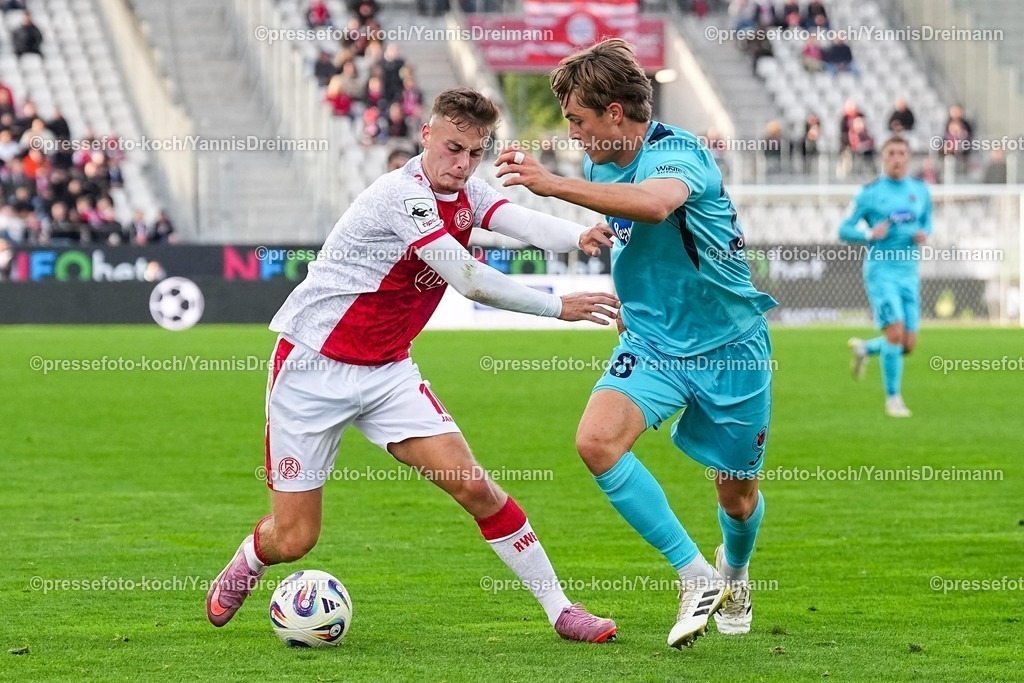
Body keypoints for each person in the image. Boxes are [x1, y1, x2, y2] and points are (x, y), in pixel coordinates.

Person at [205, 87, 621, 643]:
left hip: (387, 373)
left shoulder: (467, 191)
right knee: (295, 538)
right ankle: (251, 560)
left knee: (476, 488)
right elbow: (468, 278)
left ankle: (561, 610)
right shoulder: (401, 195)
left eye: (474, 153)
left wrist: (578, 234)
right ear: (426, 136)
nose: (462, 163)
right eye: (453, 148)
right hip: (312, 369)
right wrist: (556, 306)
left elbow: (517, 220)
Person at [495, 39, 776, 648]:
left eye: (578, 120)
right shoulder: (602, 160)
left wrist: (551, 184)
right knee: (596, 442)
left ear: (615, 113)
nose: (573, 134)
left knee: (737, 493)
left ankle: (736, 572)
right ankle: (695, 575)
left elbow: (652, 205)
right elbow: (632, 224)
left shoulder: (680, 153)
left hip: (731, 348)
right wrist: (609, 251)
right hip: (652, 343)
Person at [841, 136, 931, 418]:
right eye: (891, 152)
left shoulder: (920, 190)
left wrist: (923, 234)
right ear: (883, 157)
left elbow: (927, 220)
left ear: (908, 157)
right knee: (894, 332)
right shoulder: (870, 193)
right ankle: (893, 399)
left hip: (909, 273)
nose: (897, 158)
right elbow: (843, 229)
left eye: (902, 153)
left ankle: (866, 349)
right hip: (881, 271)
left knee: (908, 343)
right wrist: (868, 233)